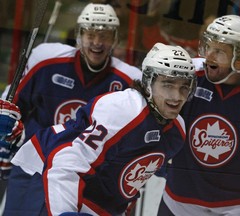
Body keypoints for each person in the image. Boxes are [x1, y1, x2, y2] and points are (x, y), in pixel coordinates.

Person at [7, 42, 196, 215]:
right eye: (168, 85)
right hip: (49, 176)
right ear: (148, 83)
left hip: (95, 198)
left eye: (184, 87)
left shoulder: (176, 130)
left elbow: (128, 183)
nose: (177, 96)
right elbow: (65, 163)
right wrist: (65, 213)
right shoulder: (123, 110)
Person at [0, 2, 142, 214]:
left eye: (105, 35)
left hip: (84, 176)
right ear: (78, 35)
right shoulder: (46, 59)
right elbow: (11, 103)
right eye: (90, 34)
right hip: (35, 163)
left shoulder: (129, 81)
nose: (96, 42)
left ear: (115, 39)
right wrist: (8, 126)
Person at [157, 15, 240, 216]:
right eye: (208, 46)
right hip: (179, 203)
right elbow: (150, 112)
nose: (209, 55)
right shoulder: (186, 76)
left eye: (219, 51)